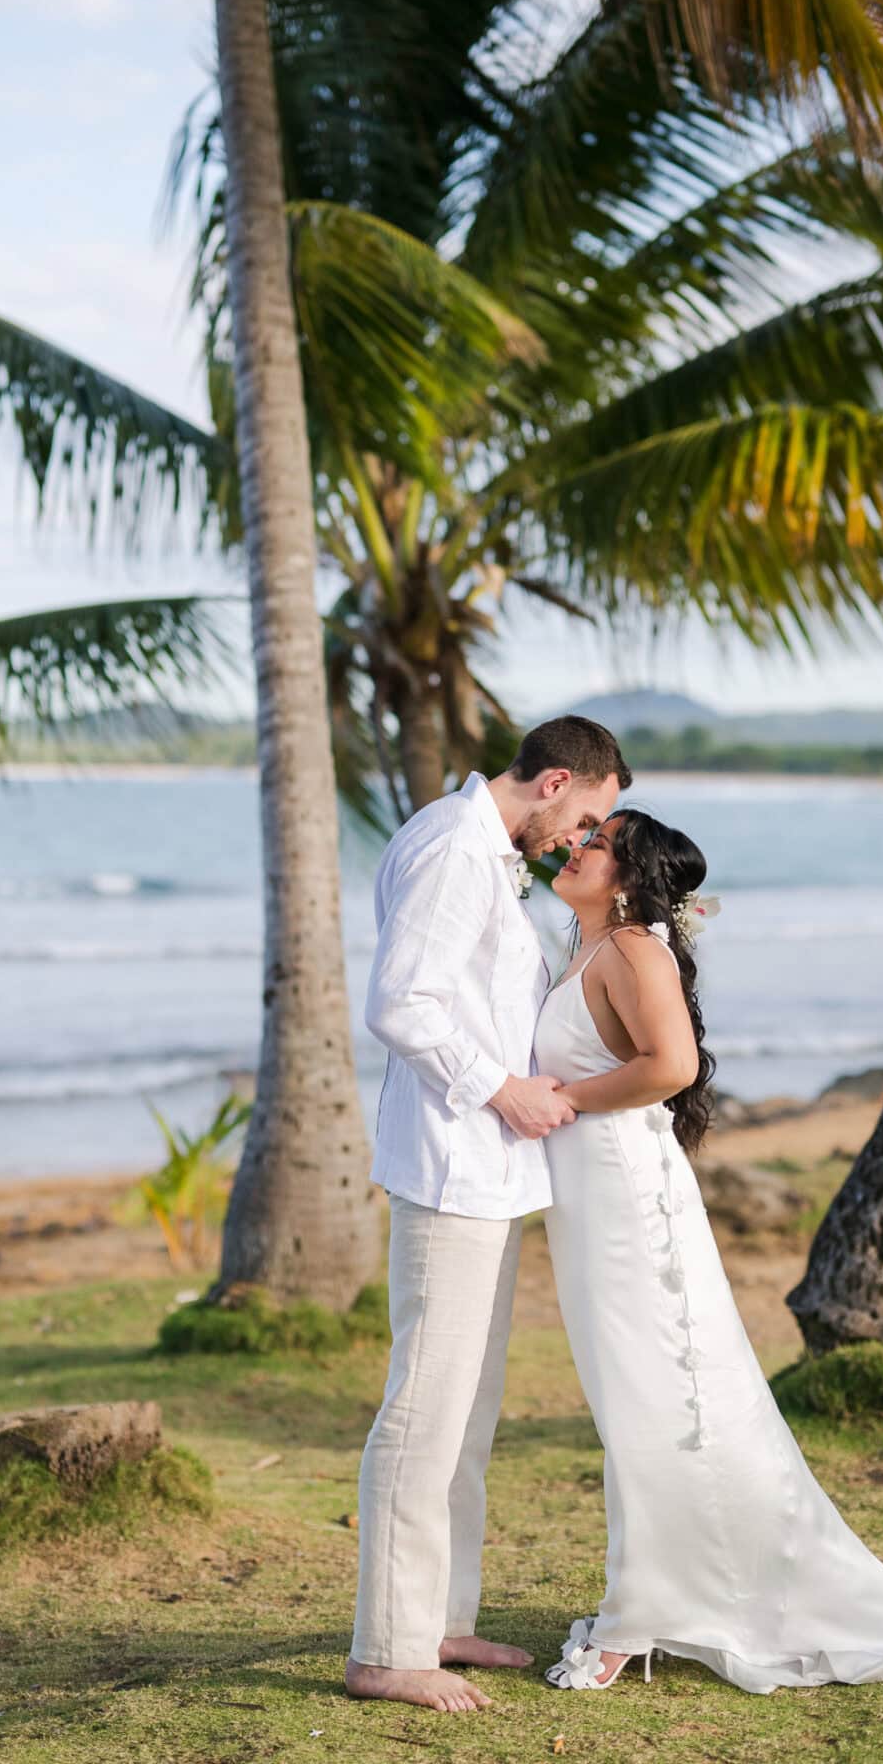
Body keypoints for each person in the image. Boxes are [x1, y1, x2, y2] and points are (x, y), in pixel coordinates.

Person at [537, 809, 883, 1695]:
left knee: (654, 1397)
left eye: (597, 841)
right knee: (635, 1398)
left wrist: (559, 1096)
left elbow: (669, 1066)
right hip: (591, 1196)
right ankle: (671, 1588)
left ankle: (639, 1615)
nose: (575, 846)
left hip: (625, 1196)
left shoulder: (633, 950)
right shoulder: (591, 949)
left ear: (628, 878)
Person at [345, 717, 632, 1714]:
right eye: (588, 813)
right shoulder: (452, 848)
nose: (583, 836)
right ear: (554, 778)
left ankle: (439, 1618)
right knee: (424, 1407)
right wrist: (504, 1088)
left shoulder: (485, 851)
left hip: (494, 1171)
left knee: (468, 1407)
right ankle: (386, 1644)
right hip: (452, 1163)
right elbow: (399, 1002)